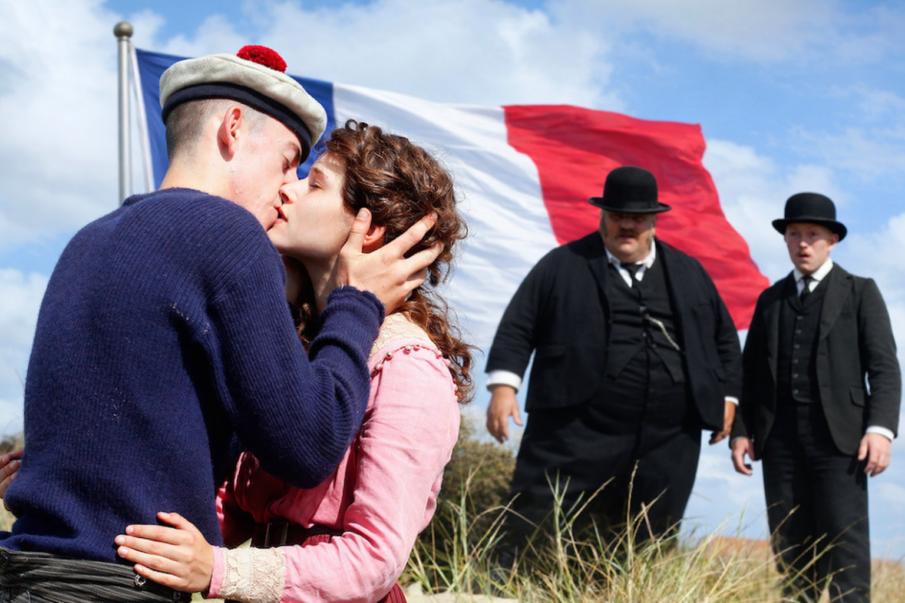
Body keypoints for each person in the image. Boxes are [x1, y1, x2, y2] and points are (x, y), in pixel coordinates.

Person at [0, 47, 438, 602]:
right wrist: (355, 303)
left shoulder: (88, 239)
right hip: (115, 584)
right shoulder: (228, 234)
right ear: (233, 128)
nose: (287, 188)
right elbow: (309, 446)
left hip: (29, 573)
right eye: (286, 161)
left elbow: (148, 425)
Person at [95, 121, 471, 603]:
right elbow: (223, 513)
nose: (288, 190)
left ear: (369, 228)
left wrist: (219, 570)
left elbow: (375, 560)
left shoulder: (407, 367)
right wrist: (76, 481)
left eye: (314, 184)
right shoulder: (298, 343)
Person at [485, 166, 742, 555]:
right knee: (538, 515)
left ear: (653, 221)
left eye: (637, 218)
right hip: (575, 424)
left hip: (669, 432)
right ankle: (513, 587)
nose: (628, 226)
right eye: (618, 216)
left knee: (653, 532)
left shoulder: (689, 272)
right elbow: (520, 324)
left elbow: (724, 338)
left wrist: (729, 397)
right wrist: (504, 387)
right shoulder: (561, 264)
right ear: (602, 216)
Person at [730, 193, 900, 603]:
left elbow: (884, 368)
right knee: (791, 549)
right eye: (794, 234)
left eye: (813, 234)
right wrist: (741, 432)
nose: (802, 243)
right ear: (785, 240)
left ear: (832, 240)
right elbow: (749, 373)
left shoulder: (860, 292)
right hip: (780, 439)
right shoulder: (770, 300)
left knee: (846, 546)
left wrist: (880, 431)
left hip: (842, 440)